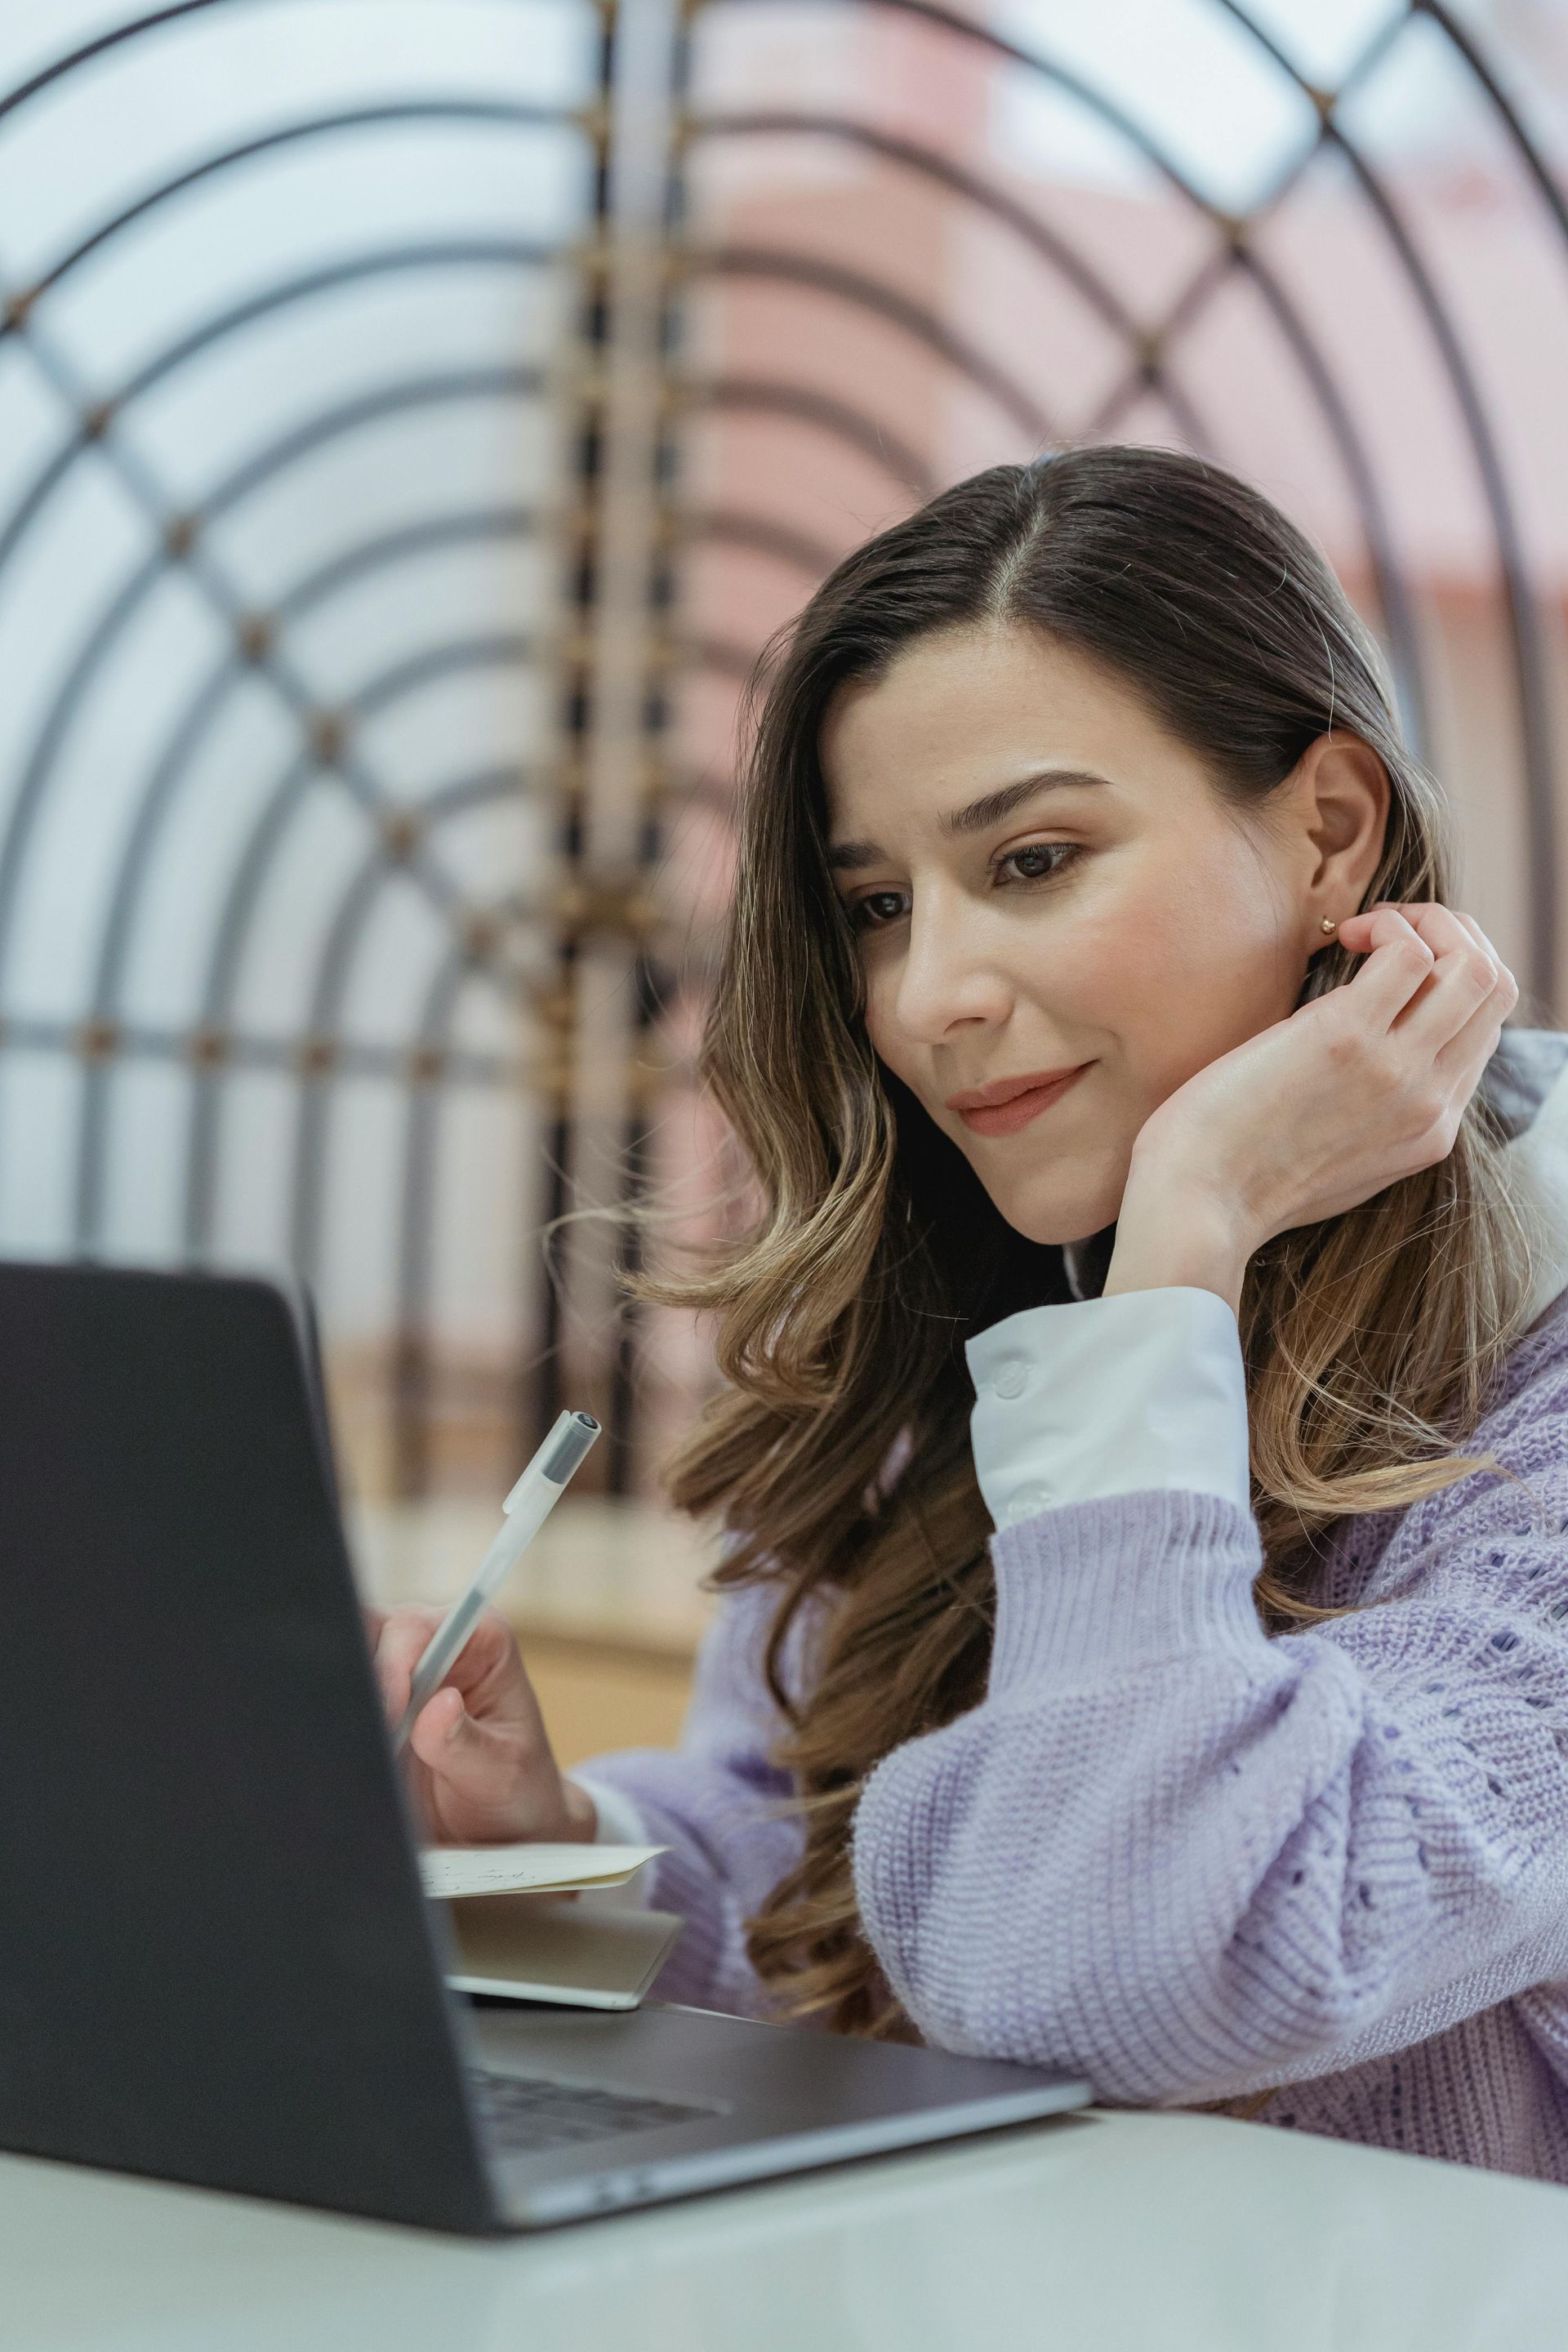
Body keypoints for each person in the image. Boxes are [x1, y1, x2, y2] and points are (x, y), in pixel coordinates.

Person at [372, 445, 1568, 2180]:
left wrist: (1190, 1235)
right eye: (877, 907)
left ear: (1328, 831)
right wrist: (567, 1843)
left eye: (1033, 861)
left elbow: (1142, 1963)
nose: (928, 996)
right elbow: (818, 1885)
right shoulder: (988, 1301)